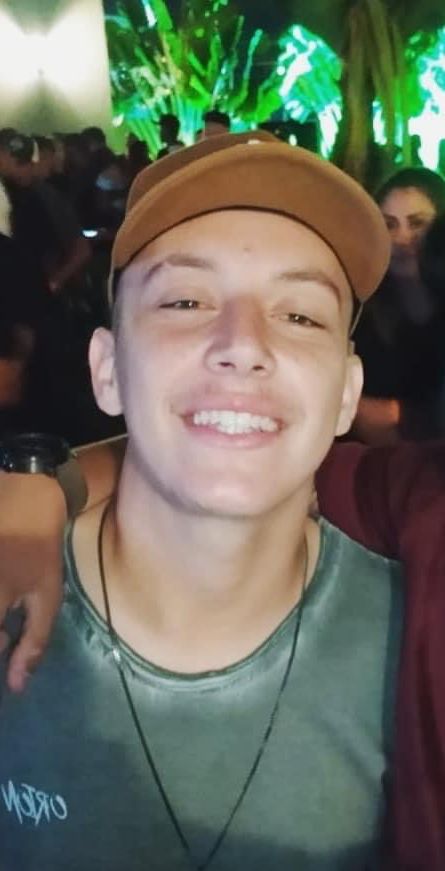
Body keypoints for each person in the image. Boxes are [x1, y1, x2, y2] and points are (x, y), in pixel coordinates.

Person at [0, 132, 399, 870]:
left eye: (301, 316)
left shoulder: (414, 648)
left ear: (346, 394)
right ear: (107, 369)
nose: (243, 344)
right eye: (184, 300)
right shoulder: (10, 599)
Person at [353, 166, 445, 443]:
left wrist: (397, 415)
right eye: (390, 225)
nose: (402, 238)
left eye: (417, 223)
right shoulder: (361, 309)